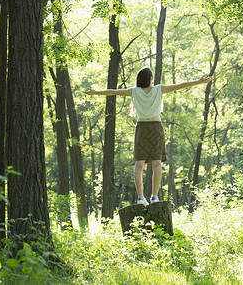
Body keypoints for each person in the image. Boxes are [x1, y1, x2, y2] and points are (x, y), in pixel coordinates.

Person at [84, 67, 213, 206]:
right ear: (151, 78)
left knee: (139, 165)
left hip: (142, 129)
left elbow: (113, 91)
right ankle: (154, 196)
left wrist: (94, 92)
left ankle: (141, 197)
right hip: (156, 127)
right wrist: (198, 82)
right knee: (157, 163)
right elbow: (180, 86)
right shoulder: (158, 89)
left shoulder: (135, 91)